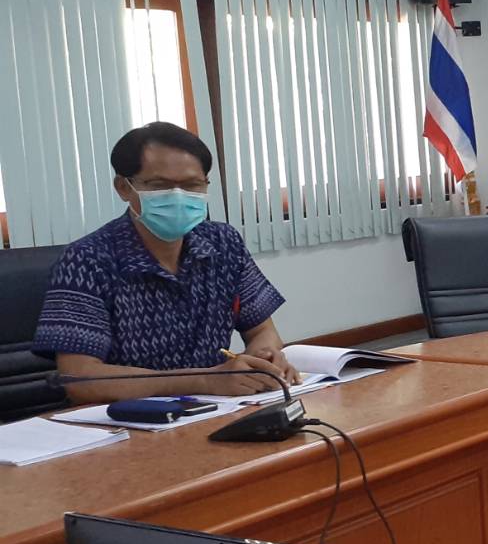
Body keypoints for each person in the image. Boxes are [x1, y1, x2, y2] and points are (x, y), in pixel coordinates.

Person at [33, 122, 302, 403]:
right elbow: (80, 378)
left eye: (192, 185)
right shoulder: (86, 260)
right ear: (124, 187)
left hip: (217, 406)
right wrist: (203, 380)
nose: (178, 196)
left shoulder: (223, 243)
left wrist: (264, 358)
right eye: (159, 186)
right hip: (129, 417)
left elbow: (262, 330)